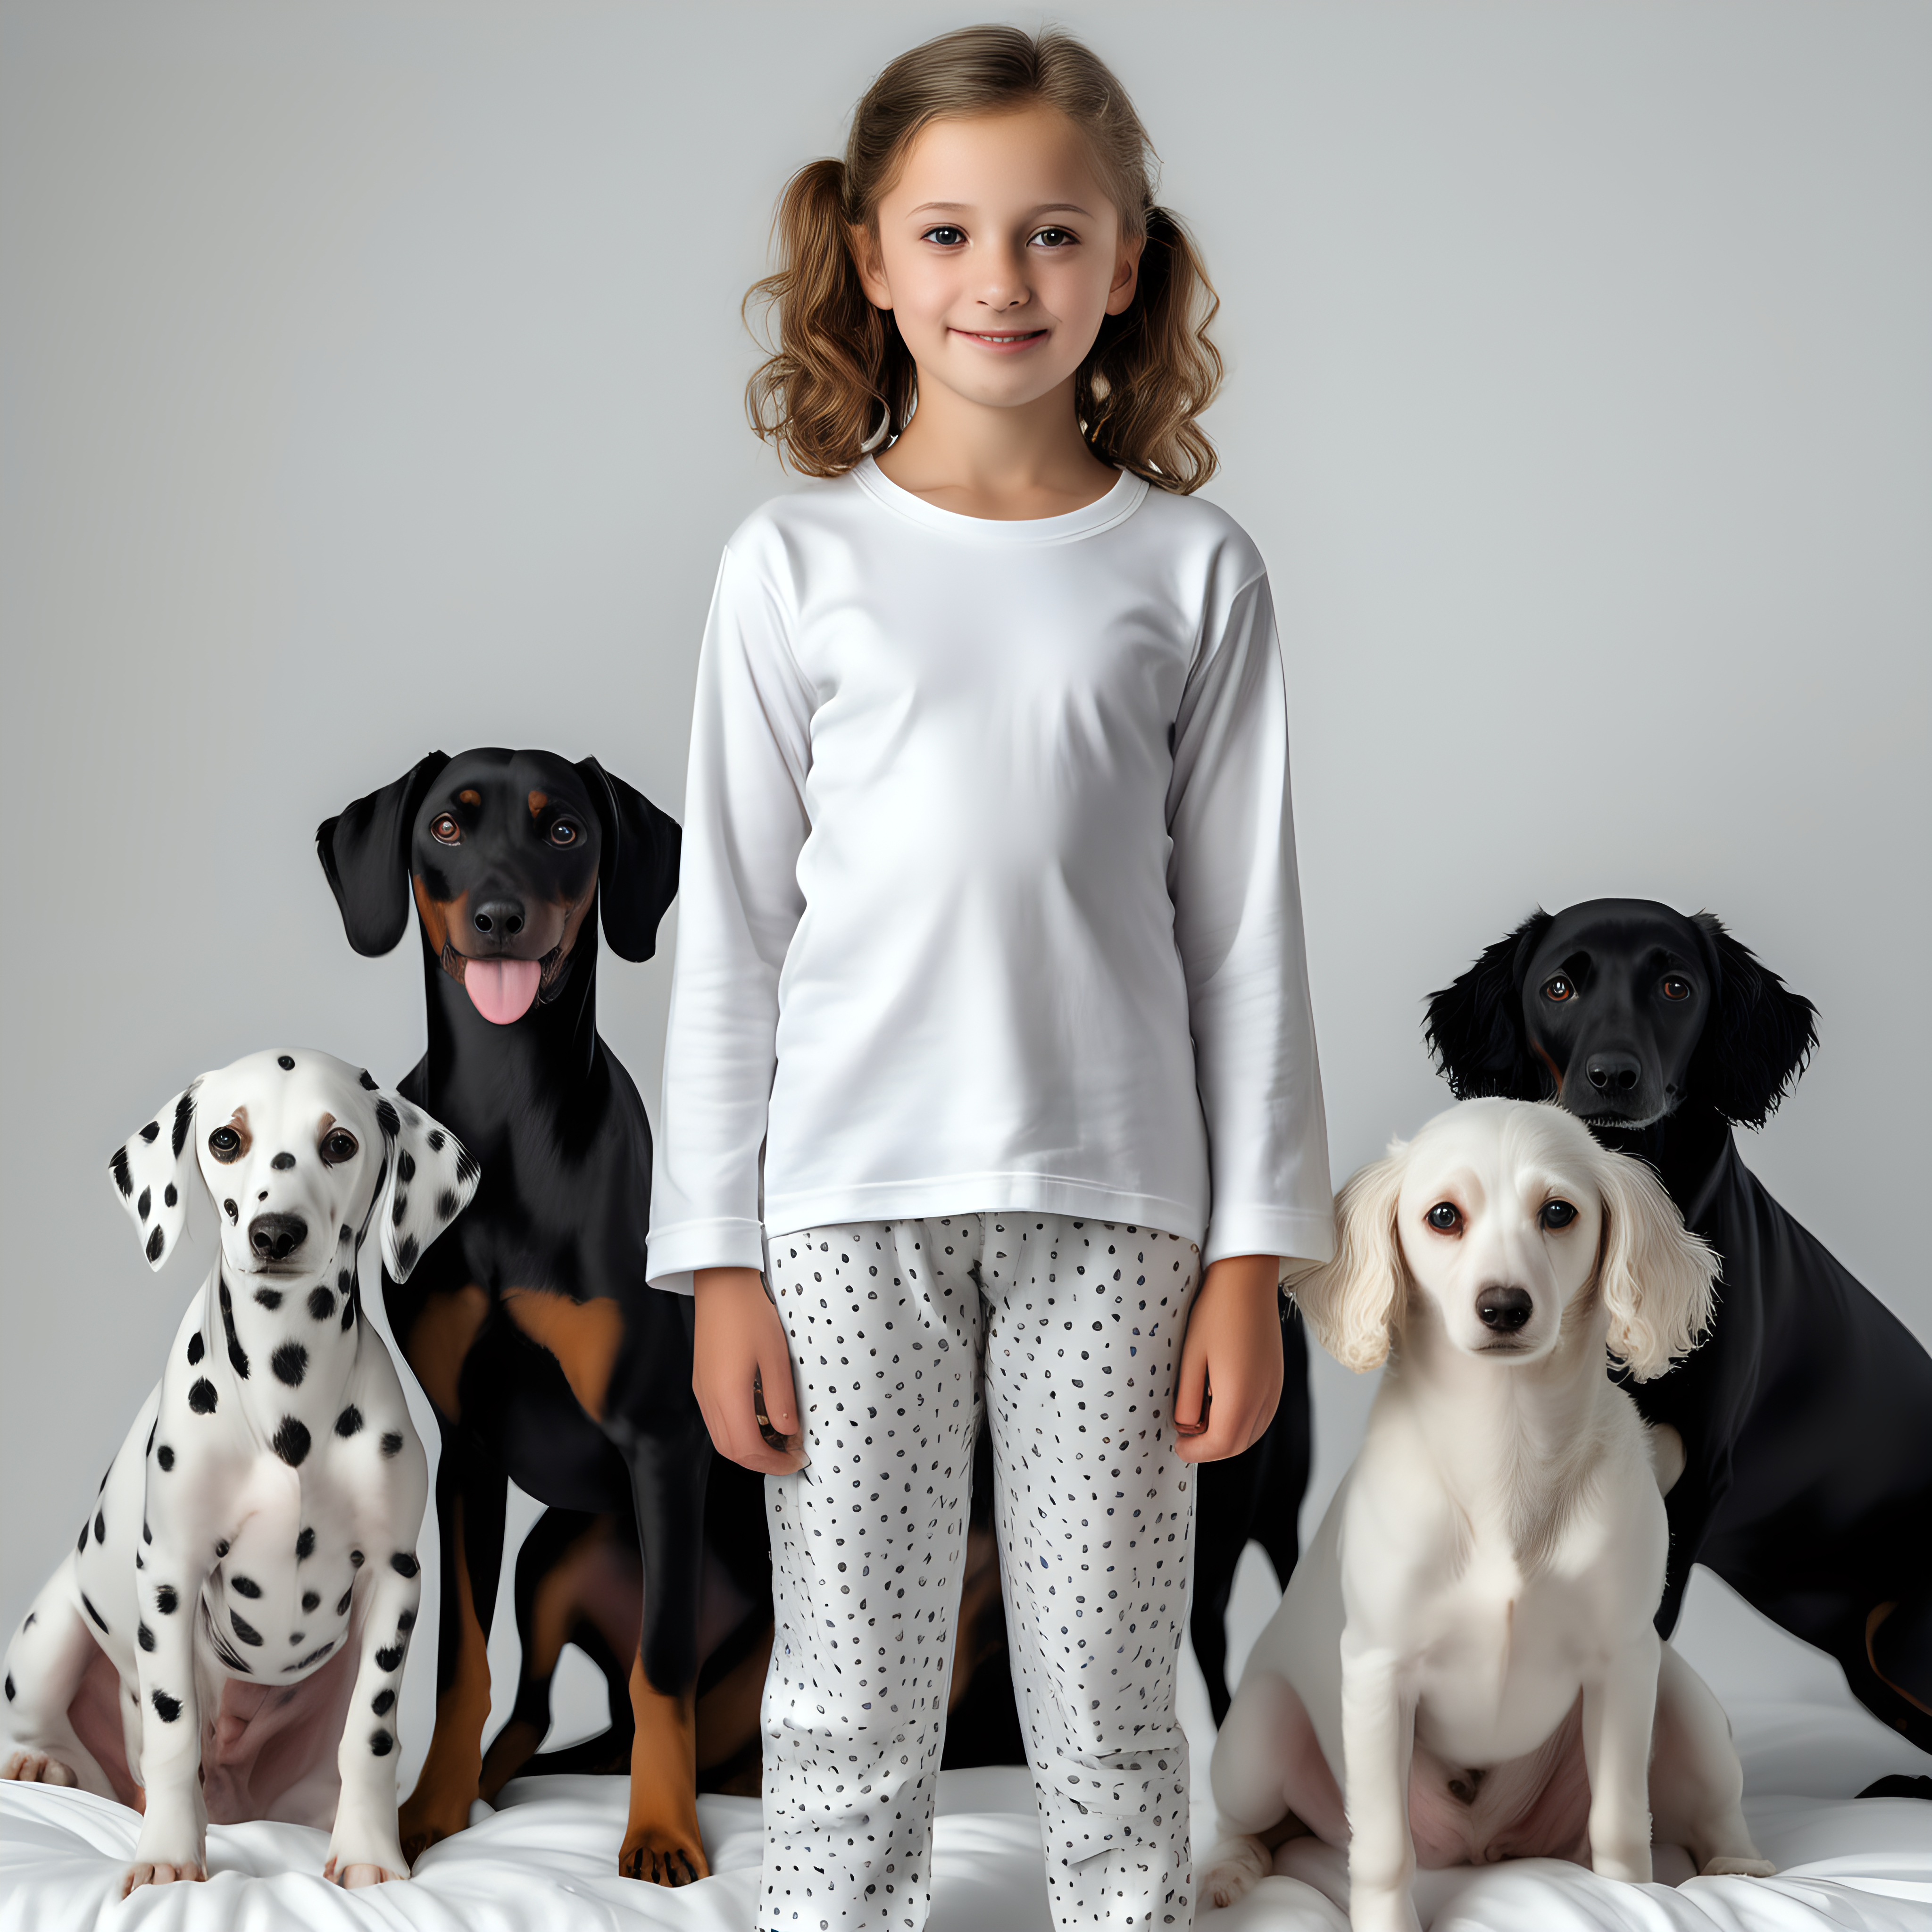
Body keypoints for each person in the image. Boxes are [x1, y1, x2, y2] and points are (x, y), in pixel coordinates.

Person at [648, 25, 1332, 1931]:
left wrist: (1253, 1257)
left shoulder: (1195, 572)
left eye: (1051, 235)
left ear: (1127, 262)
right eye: (947, 234)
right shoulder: (790, 564)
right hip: (843, 1212)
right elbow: (737, 939)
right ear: (871, 257)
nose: (998, 281)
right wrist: (717, 1261)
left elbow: (1244, 936)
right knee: (851, 1677)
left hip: (1119, 1211)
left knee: (1111, 1677)